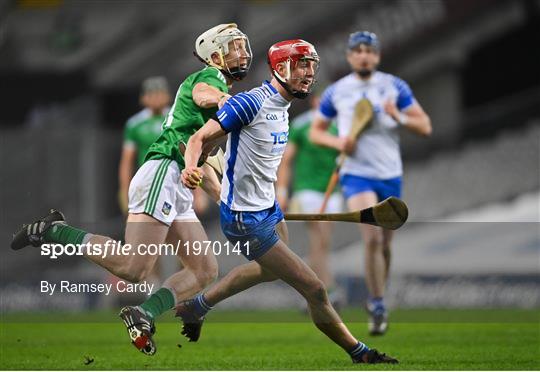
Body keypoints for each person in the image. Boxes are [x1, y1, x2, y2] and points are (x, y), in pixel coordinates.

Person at [11, 23, 253, 356]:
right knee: (134, 269)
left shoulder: (219, 109)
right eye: (234, 47)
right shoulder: (209, 80)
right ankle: (56, 231)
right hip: (160, 175)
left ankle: (143, 313)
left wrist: (232, 206)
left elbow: (208, 168)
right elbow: (203, 96)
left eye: (243, 46)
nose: (242, 53)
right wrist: (227, 99)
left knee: (204, 270)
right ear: (215, 55)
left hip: (176, 185)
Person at [177, 39, 398, 364]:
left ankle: (196, 307)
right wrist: (190, 169)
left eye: (312, 65)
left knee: (267, 272)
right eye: (303, 65)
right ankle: (360, 353)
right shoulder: (250, 103)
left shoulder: (283, 107)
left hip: (269, 208)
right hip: (244, 219)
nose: (310, 73)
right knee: (315, 289)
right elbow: (198, 138)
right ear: (281, 68)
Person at [310, 31, 432, 335]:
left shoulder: (394, 87)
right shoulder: (337, 91)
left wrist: (398, 117)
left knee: (386, 245)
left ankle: (378, 294)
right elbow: (316, 132)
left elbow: (425, 125)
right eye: (358, 50)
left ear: (377, 56)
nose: (364, 55)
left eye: (369, 50)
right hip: (356, 174)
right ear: (350, 56)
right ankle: (377, 304)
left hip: (390, 173)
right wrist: (339, 142)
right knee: (373, 238)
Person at [276, 91, 343, 308]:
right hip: (307, 190)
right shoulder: (302, 125)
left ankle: (308, 289)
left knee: (323, 243)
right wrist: (283, 189)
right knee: (320, 238)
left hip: (331, 192)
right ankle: (328, 290)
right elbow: (287, 160)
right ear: (315, 102)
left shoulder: (340, 127)